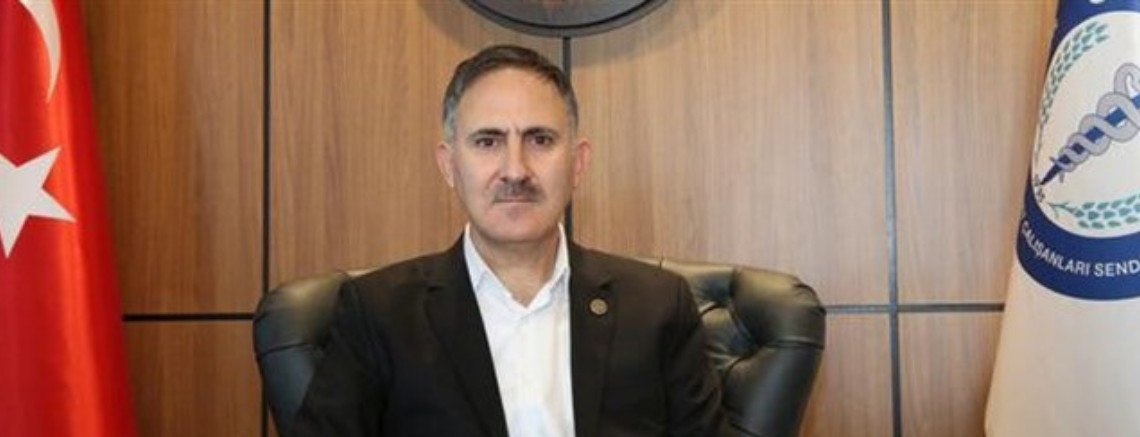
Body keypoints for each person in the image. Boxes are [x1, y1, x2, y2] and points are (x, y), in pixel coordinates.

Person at [293, 44, 725, 437]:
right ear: (449, 165)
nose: (516, 170)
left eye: (540, 140)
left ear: (577, 163)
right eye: (488, 141)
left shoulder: (658, 307)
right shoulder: (378, 314)